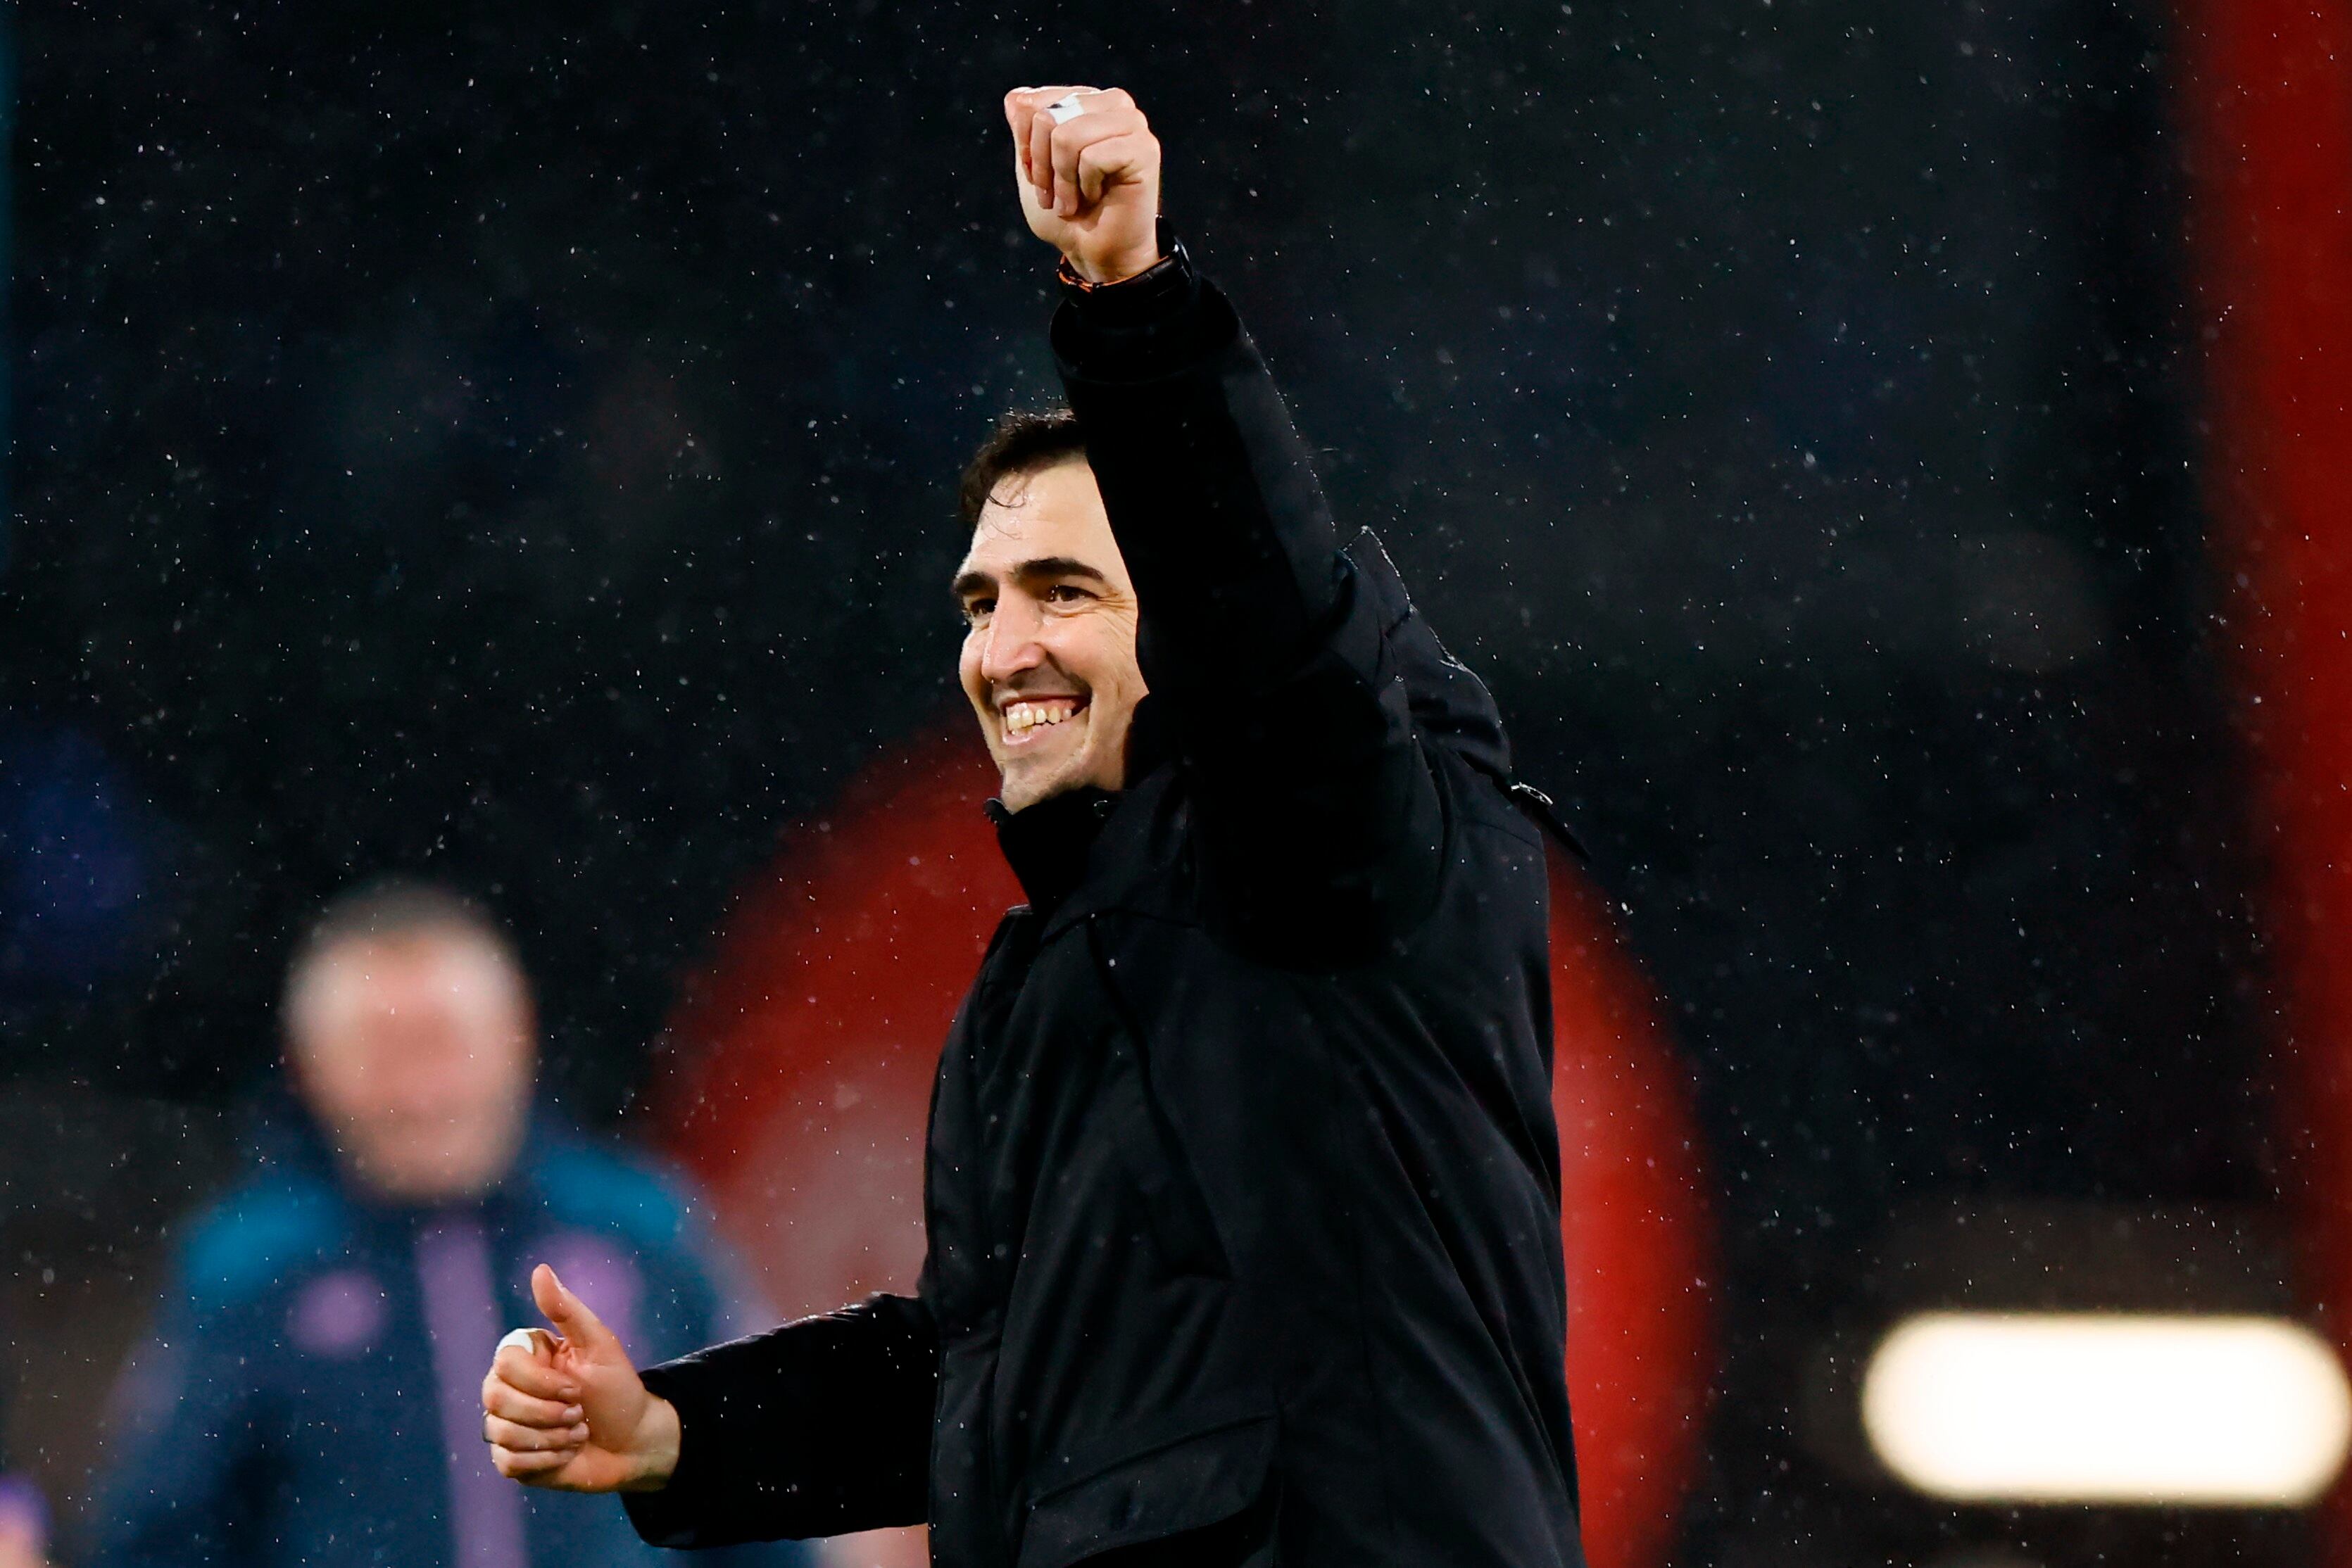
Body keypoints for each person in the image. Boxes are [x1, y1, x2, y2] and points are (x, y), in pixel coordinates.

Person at [482, 85, 1584, 1567]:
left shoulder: (1348, 849)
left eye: (1064, 590)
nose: (1002, 650)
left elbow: (1269, 631)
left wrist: (1131, 306)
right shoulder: (1038, 981)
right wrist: (684, 1434)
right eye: (981, 603)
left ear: (1188, 620)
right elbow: (993, 1374)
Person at [92, 880, 810, 1568]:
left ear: (517, 1035)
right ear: (309, 1065)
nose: (417, 1089)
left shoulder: (642, 1228)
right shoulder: (248, 1268)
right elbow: (159, 1533)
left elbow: (762, 1496)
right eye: (377, 1050)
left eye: (442, 1041)